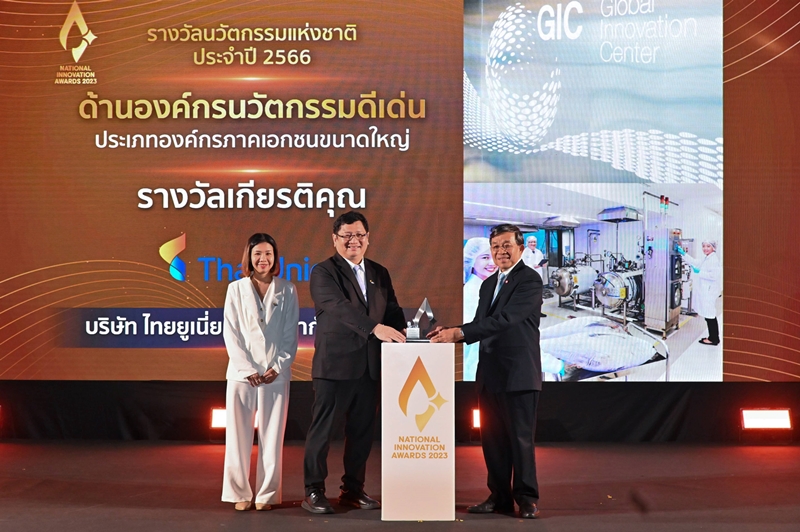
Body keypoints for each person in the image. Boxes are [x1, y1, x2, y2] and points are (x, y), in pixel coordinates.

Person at [429, 223, 543, 519]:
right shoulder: (488, 284)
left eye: (506, 245)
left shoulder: (529, 280)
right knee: (492, 441)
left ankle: (527, 499)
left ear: (520, 248)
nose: (500, 251)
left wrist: (459, 333)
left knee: (520, 440)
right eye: (495, 247)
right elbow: (481, 323)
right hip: (489, 373)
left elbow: (506, 319)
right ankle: (499, 497)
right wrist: (451, 330)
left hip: (519, 373)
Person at [302, 211, 407, 514]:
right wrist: (376, 328)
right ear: (335, 239)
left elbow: (392, 309)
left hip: (370, 367)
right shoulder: (323, 272)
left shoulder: (379, 272)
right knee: (323, 431)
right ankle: (313, 490)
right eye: (347, 235)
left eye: (359, 235)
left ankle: (353, 490)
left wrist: (409, 333)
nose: (354, 241)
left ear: (368, 238)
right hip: (335, 366)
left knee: (361, 433)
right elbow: (339, 308)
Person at [221, 233, 299, 511]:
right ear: (249, 257)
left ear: (275, 257)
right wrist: (246, 369)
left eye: (268, 254)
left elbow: (291, 333)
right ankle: (238, 493)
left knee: (272, 436)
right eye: (257, 254)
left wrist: (277, 367)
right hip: (242, 375)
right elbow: (231, 333)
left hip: (275, 375)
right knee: (237, 436)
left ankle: (267, 495)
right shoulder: (235, 289)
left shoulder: (287, 289)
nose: (263, 259)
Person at [463, 237, 497, 380]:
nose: (492, 263)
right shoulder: (473, 292)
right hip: (478, 367)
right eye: (485, 257)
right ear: (471, 261)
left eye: (494, 256)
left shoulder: (486, 287)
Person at [678, 240, 722, 345]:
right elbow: (695, 262)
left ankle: (714, 339)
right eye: (704, 246)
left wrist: (699, 272)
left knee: (710, 315)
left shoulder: (713, 260)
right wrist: (683, 254)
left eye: (708, 246)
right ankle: (712, 337)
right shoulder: (707, 258)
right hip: (707, 291)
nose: (705, 248)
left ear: (713, 248)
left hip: (709, 292)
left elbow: (714, 276)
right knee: (708, 315)